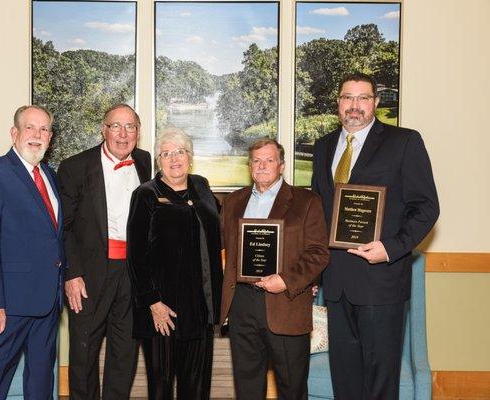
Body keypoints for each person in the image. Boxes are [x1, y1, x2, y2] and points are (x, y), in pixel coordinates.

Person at [311, 72, 440, 400]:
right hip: (336, 285)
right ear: (338, 103)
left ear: (376, 103)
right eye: (347, 98)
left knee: (381, 383)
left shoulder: (404, 142)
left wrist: (391, 248)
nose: (354, 106)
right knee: (346, 381)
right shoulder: (324, 147)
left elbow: (426, 207)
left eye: (362, 98)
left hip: (381, 281)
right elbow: (317, 215)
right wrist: (312, 269)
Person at [219, 139, 330, 400]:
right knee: (247, 388)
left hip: (285, 303)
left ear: (281, 166)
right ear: (249, 166)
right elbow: (220, 248)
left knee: (292, 389)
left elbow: (318, 253)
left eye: (269, 160)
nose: (262, 166)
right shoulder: (234, 201)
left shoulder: (307, 202)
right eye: (256, 161)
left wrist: (286, 280)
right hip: (242, 304)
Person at [0, 105, 64, 399]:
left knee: (41, 382)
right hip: (8, 305)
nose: (37, 135)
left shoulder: (49, 174)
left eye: (44, 129)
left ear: (50, 137)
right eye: (30, 128)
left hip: (47, 302)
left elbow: (53, 235)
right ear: (15, 132)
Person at [57, 104, 151, 400]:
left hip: (132, 273)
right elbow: (64, 227)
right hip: (89, 274)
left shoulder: (145, 161)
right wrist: (72, 274)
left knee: (125, 351)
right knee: (84, 352)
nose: (123, 134)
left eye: (131, 127)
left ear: (138, 132)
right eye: (116, 126)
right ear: (103, 129)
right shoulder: (74, 167)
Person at [127, 128, 223, 400]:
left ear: (190, 157)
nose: (174, 159)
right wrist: (153, 303)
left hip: (199, 308)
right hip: (163, 311)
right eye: (166, 154)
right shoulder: (146, 194)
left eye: (180, 152)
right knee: (161, 386)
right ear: (158, 161)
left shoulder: (202, 186)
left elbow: (217, 237)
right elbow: (136, 255)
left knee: (197, 386)